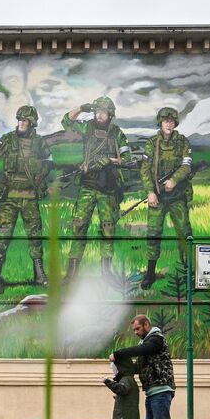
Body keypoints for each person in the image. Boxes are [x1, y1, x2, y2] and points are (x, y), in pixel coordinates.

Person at [0, 105, 53, 292]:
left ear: (32, 123)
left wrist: (40, 177)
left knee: (35, 235)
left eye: (25, 120)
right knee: (0, 237)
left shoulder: (39, 143)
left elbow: (49, 162)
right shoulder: (9, 139)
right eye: (19, 120)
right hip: (9, 196)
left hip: (30, 196)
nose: (21, 123)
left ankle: (39, 274)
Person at [56, 95, 130, 281]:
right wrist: (82, 107)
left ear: (110, 114)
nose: (99, 115)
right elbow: (66, 121)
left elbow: (127, 159)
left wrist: (108, 161)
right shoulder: (87, 127)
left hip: (108, 188)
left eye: (103, 112)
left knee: (107, 229)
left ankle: (106, 272)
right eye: (97, 111)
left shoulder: (117, 133)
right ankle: (72, 273)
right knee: (79, 226)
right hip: (88, 186)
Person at [111, 313, 175, 419]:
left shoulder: (156, 339)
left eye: (138, 328)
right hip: (151, 391)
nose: (136, 332)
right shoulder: (144, 344)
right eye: (134, 330)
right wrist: (119, 370)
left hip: (161, 389)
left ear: (146, 324)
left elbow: (143, 349)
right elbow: (135, 369)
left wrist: (119, 354)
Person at [140, 107, 195, 290]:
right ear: (160, 122)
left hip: (177, 195)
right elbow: (145, 169)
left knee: (185, 234)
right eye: (166, 121)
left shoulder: (182, 142)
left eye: (172, 121)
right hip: (158, 196)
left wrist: (174, 180)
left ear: (175, 123)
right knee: (153, 234)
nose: (169, 123)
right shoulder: (152, 143)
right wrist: (150, 191)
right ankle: (150, 274)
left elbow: (187, 166)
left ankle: (189, 274)